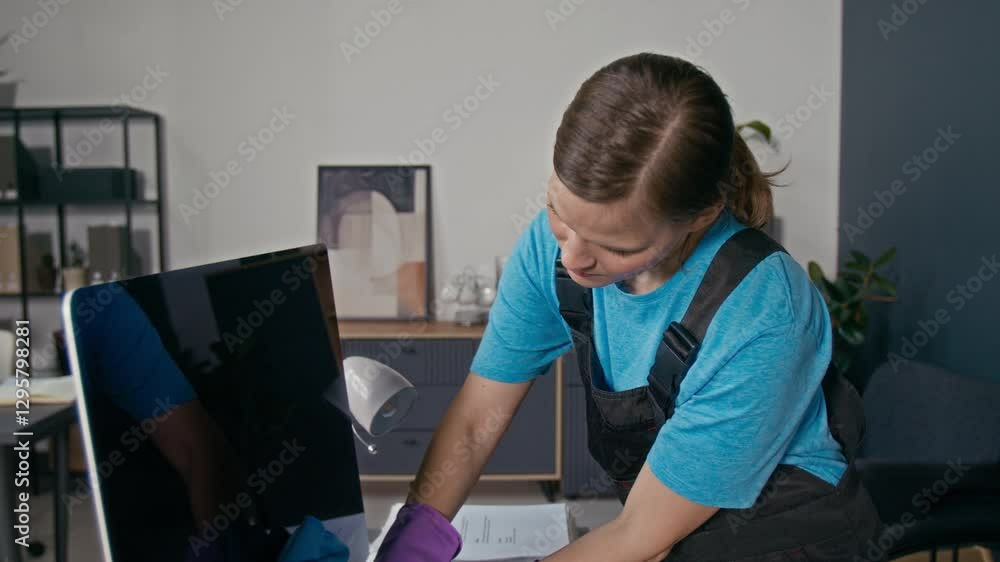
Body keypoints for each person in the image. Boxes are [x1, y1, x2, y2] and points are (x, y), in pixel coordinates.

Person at [373, 52, 885, 561]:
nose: (572, 257)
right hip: (667, 529)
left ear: (700, 216)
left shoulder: (764, 313)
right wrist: (413, 536)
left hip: (787, 541)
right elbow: (475, 418)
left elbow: (640, 537)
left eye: (617, 247)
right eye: (558, 211)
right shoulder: (551, 250)